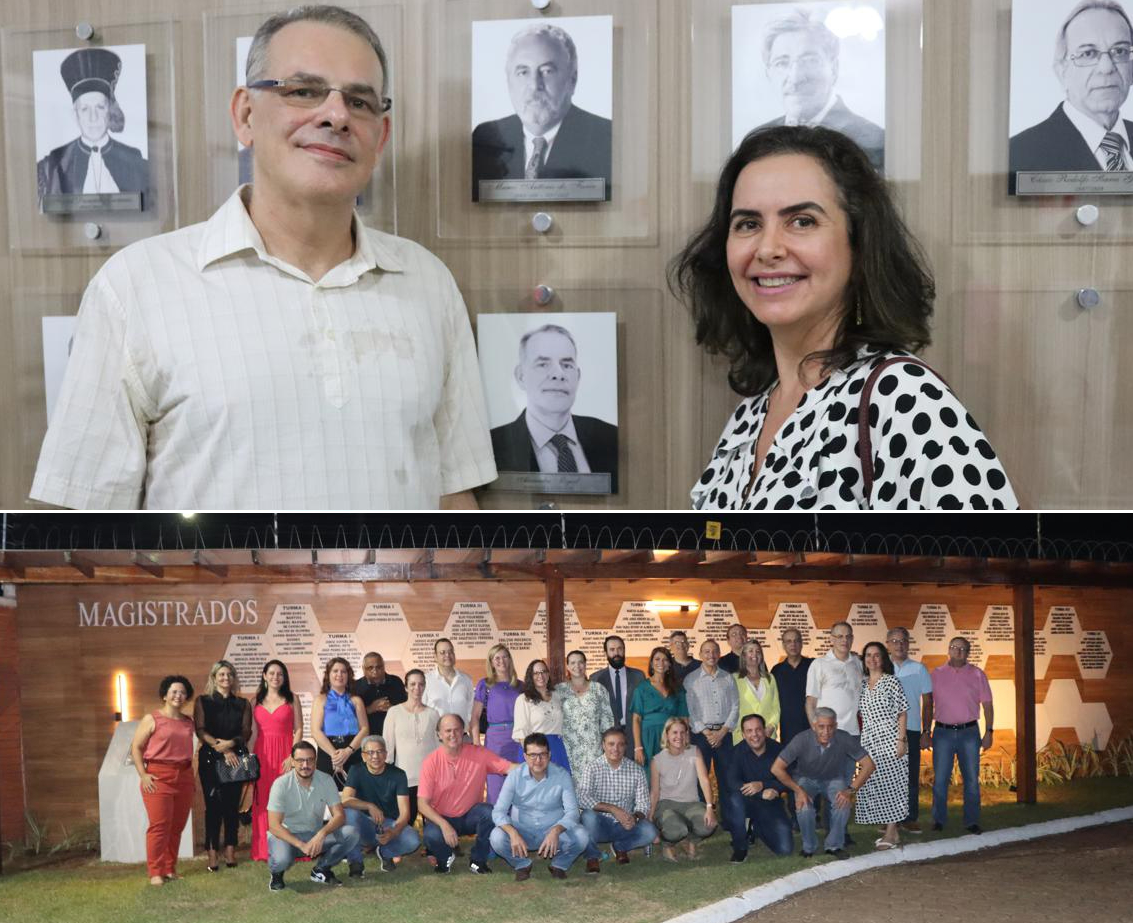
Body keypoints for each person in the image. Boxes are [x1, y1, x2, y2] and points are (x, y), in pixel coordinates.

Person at [31, 5, 496, 510]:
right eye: (303, 91)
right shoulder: (135, 287)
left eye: (360, 102)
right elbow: (83, 525)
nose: (336, 115)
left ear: (380, 137)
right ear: (246, 115)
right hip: (218, 594)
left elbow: (455, 499)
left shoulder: (428, 282)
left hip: (396, 594)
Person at [671, 126, 1019, 510]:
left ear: (859, 244)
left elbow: (993, 562)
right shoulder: (751, 415)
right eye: (748, 224)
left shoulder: (903, 397)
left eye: (802, 221)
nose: (767, 248)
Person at [472, 22, 612, 200]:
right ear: (508, 81)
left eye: (546, 71)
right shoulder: (485, 138)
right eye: (523, 72)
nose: (534, 86)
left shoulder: (606, 138)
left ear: (572, 79)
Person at [1009, 1, 1133, 183]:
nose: (1107, 68)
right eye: (1088, 53)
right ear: (1061, 71)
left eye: (1119, 51)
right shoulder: (1019, 153)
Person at [489, 324, 618, 487]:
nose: (558, 374)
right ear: (521, 376)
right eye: (543, 364)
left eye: (567, 365)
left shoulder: (612, 438)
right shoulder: (492, 447)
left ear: (577, 376)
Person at [755, 9, 884, 170]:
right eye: (782, 63)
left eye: (809, 61)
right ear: (769, 73)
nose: (795, 78)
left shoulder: (873, 141)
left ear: (834, 69)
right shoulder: (758, 139)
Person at [36, 47, 149, 204]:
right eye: (85, 109)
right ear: (75, 115)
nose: (92, 117)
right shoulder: (52, 166)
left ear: (109, 111)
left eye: (100, 107)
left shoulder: (135, 162)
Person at [418, 713, 518, 874]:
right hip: (442, 816)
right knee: (430, 834)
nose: (452, 735)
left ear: (463, 731)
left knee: (490, 812)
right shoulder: (431, 762)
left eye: (457, 730)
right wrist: (444, 825)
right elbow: (422, 803)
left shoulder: (478, 753)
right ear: (439, 734)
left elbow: (508, 767)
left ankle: (478, 861)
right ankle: (445, 857)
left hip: (470, 815)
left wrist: (534, 766)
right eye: (448, 731)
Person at [771, 707, 876, 858]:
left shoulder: (844, 738)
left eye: (830, 726)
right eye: (821, 727)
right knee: (803, 806)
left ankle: (834, 845)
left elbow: (869, 765)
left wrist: (850, 790)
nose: (826, 732)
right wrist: (798, 791)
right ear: (814, 726)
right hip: (806, 779)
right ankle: (809, 847)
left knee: (843, 803)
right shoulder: (801, 739)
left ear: (836, 726)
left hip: (834, 779)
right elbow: (776, 768)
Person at [489, 733, 590, 880]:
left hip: (553, 831)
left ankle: (559, 864)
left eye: (542, 754)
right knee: (496, 837)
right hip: (522, 831)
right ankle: (522, 864)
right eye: (532, 755)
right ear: (525, 756)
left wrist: (556, 831)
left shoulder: (562, 775)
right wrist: (513, 833)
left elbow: (573, 812)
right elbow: (498, 812)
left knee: (582, 836)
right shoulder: (514, 776)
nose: (538, 760)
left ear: (549, 755)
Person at [266, 740, 359, 890]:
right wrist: (301, 845)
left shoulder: (326, 780)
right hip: (287, 836)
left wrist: (321, 834)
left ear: (315, 761)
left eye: (310, 760)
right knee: (282, 859)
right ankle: (277, 874)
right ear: (293, 761)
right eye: (300, 760)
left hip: (314, 834)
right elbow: (274, 825)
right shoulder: (281, 784)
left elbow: (339, 815)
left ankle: (321, 870)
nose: (305, 765)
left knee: (351, 833)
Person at [130, 675, 196, 886]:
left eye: (183, 692)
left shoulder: (188, 722)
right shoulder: (152, 719)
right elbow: (136, 748)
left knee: (177, 826)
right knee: (159, 826)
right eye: (174, 691)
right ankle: (155, 872)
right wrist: (143, 774)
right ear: (165, 695)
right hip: (158, 776)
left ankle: (169, 868)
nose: (178, 695)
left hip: (184, 776)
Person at [930, 636, 994, 834]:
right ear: (948, 650)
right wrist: (925, 731)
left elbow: (988, 705)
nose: (958, 651)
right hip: (942, 733)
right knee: (940, 779)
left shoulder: (977, 674)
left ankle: (971, 820)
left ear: (968, 653)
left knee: (972, 780)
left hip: (969, 733)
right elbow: (926, 705)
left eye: (963, 649)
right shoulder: (936, 674)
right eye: (955, 647)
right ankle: (939, 820)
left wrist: (989, 731)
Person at [193, 660, 253, 871]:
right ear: (214, 678)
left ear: (234, 678)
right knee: (213, 808)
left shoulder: (243, 704)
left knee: (231, 807)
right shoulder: (203, 701)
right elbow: (200, 730)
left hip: (235, 759)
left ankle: (230, 849)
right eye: (221, 675)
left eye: (229, 675)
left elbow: (246, 732)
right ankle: (211, 852)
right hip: (210, 758)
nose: (225, 678)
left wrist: (231, 745)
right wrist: (223, 748)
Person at [576, 727, 659, 872]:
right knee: (587, 816)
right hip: (599, 823)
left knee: (649, 831)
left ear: (626, 747)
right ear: (603, 745)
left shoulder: (636, 770)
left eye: (620, 744)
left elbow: (643, 804)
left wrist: (634, 817)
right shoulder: (592, 768)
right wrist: (612, 809)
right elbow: (582, 797)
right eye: (611, 744)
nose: (616, 748)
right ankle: (592, 856)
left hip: (624, 825)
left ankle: (620, 847)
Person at [341, 735, 420, 876]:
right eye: (370, 752)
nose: (375, 756)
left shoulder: (399, 775)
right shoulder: (356, 770)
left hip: (388, 824)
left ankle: (384, 852)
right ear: (363, 756)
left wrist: (394, 832)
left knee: (413, 840)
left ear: (385, 754)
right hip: (364, 823)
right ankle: (356, 862)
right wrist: (369, 806)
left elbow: (405, 814)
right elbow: (345, 800)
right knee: (348, 813)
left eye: (379, 752)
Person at [855, 641, 909, 850]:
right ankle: (892, 832)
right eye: (868, 655)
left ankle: (890, 832)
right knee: (877, 785)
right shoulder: (862, 684)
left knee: (893, 786)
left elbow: (902, 712)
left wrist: (901, 741)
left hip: (890, 739)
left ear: (883, 659)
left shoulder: (891, 682)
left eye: (876, 655)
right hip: (869, 741)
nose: (872, 659)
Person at [250, 659, 303, 862]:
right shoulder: (254, 702)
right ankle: (264, 849)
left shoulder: (292, 699)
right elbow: (253, 734)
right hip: (262, 757)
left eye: (280, 674)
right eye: (271, 673)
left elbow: (298, 729)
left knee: (287, 801)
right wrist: (250, 760)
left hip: (285, 756)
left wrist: (293, 756)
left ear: (284, 678)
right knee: (263, 802)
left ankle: (292, 848)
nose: (275, 677)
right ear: (264, 676)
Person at [725, 713, 793, 863]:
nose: (754, 735)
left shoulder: (778, 750)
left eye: (758, 729)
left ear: (764, 730)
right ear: (743, 734)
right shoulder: (736, 752)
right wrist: (759, 792)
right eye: (749, 731)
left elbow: (791, 779)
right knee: (735, 800)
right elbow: (731, 782)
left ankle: (755, 827)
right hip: (746, 802)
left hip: (771, 803)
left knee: (785, 849)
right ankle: (740, 848)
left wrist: (766, 786)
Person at [649, 717, 717, 861]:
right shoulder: (657, 760)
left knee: (709, 825)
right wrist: (650, 819)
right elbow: (655, 793)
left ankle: (691, 840)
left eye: (682, 732)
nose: (678, 736)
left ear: (687, 734)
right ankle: (667, 844)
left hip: (691, 803)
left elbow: (704, 780)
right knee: (676, 830)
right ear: (667, 735)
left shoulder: (694, 751)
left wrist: (710, 807)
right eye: (674, 733)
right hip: (667, 805)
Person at [684, 639, 738, 819]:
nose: (711, 655)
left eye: (714, 651)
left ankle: (728, 818)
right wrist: (707, 733)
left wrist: (722, 732)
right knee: (701, 778)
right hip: (701, 736)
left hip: (724, 735)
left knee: (727, 779)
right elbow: (690, 710)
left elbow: (735, 706)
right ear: (700, 655)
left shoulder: (728, 677)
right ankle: (702, 818)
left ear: (719, 654)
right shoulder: (691, 679)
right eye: (706, 651)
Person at [886, 626, 933, 832]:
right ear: (887, 644)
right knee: (887, 775)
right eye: (895, 641)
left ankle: (910, 817)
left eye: (903, 641)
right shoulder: (880, 668)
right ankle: (889, 820)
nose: (900, 645)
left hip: (912, 730)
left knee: (910, 776)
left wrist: (926, 732)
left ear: (909, 643)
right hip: (886, 731)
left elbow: (928, 702)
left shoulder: (919, 669)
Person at [383, 668, 440, 824]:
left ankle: (433, 849)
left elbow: (438, 748)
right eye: (413, 684)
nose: (417, 688)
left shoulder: (433, 714)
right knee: (406, 822)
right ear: (406, 687)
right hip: (404, 779)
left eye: (421, 684)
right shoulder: (394, 712)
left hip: (429, 778)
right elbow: (387, 747)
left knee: (432, 824)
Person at [470, 643, 524, 803]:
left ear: (510, 659)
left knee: (519, 782)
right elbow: (474, 716)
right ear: (491, 662)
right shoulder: (485, 685)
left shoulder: (521, 685)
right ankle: (498, 825)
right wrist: (475, 744)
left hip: (518, 739)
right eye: (497, 658)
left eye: (505, 657)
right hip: (495, 741)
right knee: (496, 785)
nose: (501, 661)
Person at [771, 627, 813, 828]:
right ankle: (795, 815)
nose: (793, 644)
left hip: (811, 729)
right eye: (788, 641)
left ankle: (814, 814)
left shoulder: (813, 666)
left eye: (796, 640)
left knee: (813, 772)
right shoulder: (777, 671)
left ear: (802, 642)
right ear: (784, 644)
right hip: (788, 730)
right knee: (791, 773)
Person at [311, 657, 367, 790]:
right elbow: (315, 731)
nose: (339, 675)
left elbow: (365, 729)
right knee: (328, 799)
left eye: (343, 672)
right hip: (327, 753)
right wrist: (335, 756)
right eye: (335, 671)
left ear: (349, 675)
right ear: (328, 675)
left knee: (355, 797)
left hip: (353, 752)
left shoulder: (356, 700)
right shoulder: (320, 700)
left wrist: (347, 752)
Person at [630, 646, 688, 773]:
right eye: (657, 659)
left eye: (665, 660)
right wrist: (638, 747)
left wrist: (684, 741)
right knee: (650, 775)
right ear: (651, 663)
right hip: (649, 737)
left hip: (672, 737)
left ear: (669, 665)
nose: (661, 663)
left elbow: (684, 717)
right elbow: (636, 719)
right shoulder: (642, 688)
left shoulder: (677, 688)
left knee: (672, 775)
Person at [556, 649, 615, 774]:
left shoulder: (598, 689)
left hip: (594, 751)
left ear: (585, 664)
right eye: (572, 663)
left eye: (580, 662)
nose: (577, 666)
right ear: (567, 666)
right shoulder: (559, 691)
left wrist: (608, 749)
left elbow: (607, 722)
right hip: (568, 751)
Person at [590, 635, 645, 754]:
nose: (617, 653)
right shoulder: (595, 679)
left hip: (634, 736)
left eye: (620, 649)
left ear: (624, 650)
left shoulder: (639, 676)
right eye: (612, 650)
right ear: (606, 653)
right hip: (609, 739)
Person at [513, 659, 569, 770]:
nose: (541, 675)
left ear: (548, 674)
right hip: (535, 750)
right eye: (536, 673)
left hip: (556, 749)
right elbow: (521, 733)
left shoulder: (557, 696)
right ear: (530, 676)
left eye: (543, 671)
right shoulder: (523, 699)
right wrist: (533, 756)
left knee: (558, 785)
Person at [733, 639, 781, 742]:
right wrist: (744, 731)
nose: (754, 654)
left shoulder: (770, 678)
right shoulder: (734, 679)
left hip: (767, 736)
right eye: (750, 651)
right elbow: (732, 709)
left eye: (758, 651)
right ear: (744, 656)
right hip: (744, 737)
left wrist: (771, 726)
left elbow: (776, 707)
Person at [423, 637, 475, 728]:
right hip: (435, 739)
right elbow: (420, 712)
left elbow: (471, 712)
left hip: (462, 738)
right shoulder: (426, 681)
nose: (447, 655)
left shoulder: (466, 680)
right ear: (435, 656)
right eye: (442, 652)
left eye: (450, 651)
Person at [355, 651, 406, 737]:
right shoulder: (356, 686)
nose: (375, 671)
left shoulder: (396, 682)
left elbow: (406, 709)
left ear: (384, 667)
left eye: (378, 667)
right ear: (363, 669)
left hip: (394, 735)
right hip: (367, 739)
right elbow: (350, 717)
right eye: (370, 668)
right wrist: (370, 708)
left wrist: (392, 709)